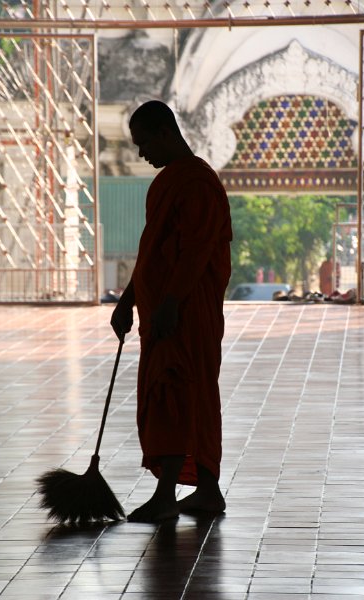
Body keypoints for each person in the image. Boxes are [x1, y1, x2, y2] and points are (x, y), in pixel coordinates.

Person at [111, 100, 232, 523]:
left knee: (178, 394)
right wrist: (128, 301)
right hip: (162, 312)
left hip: (185, 313)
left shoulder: (198, 184)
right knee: (180, 395)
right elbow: (153, 252)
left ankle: (166, 496)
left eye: (145, 143)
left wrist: (170, 302)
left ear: (166, 132)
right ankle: (208, 491)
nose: (142, 154)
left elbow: (195, 254)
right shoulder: (166, 184)